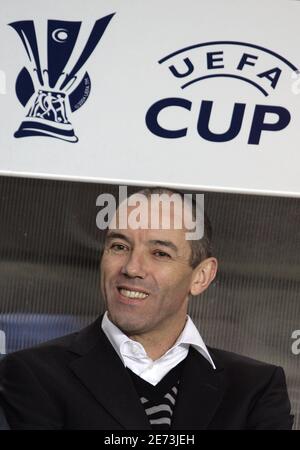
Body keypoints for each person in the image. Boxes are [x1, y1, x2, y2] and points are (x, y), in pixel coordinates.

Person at [0, 187, 294, 430]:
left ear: (201, 276)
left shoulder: (254, 387)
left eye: (159, 253)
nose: (132, 268)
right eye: (119, 246)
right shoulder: (32, 374)